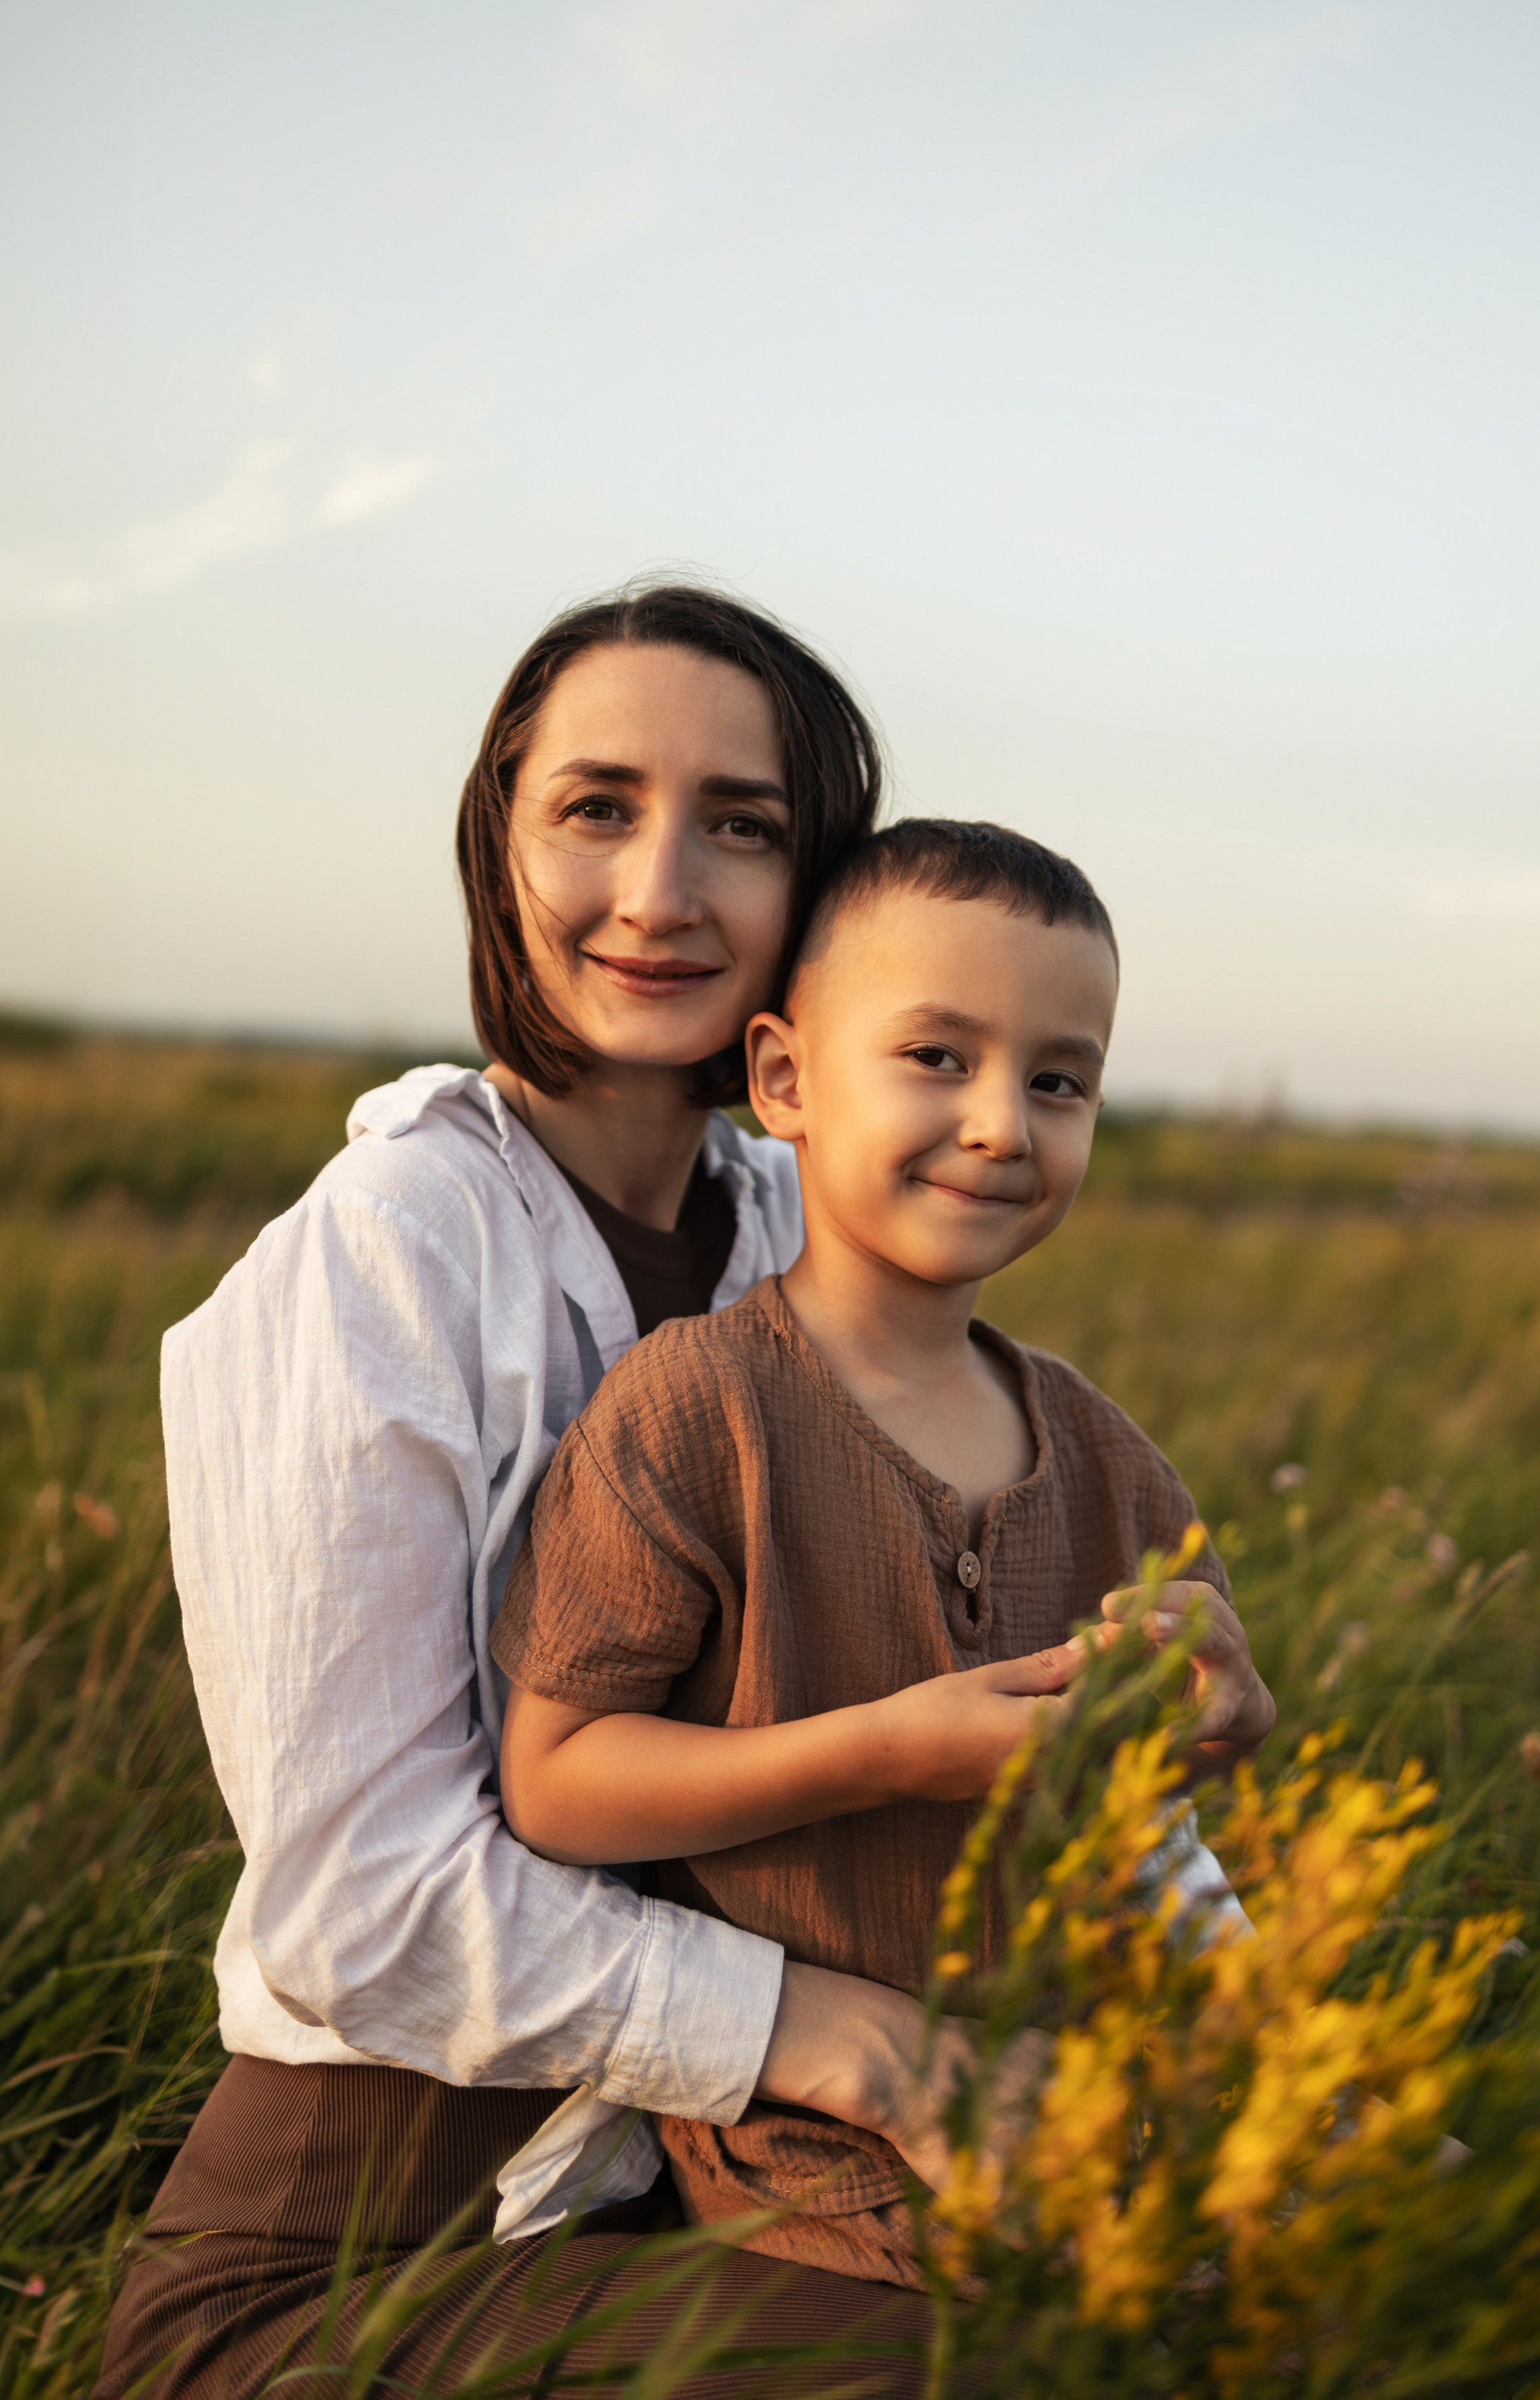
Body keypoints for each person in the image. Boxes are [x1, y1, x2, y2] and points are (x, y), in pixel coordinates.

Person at [97, 590, 1131, 2400]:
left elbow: (990, 1675)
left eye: (742, 824)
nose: (659, 891)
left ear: (818, 888)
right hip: (350, 2261)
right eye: (595, 809)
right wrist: (860, 2043)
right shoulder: (389, 1251)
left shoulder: (812, 1231)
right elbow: (360, 1907)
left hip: (714, 2194)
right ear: (499, 845)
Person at [491, 819, 1275, 2294]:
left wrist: (1224, 1709)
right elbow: (557, 1779)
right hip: (820, 2144)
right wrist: (887, 1752)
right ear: (784, 1078)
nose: (1001, 1125)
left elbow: (1181, 1787)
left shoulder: (1105, 1456)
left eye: (1058, 1081)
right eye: (936, 1056)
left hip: (1101, 2088)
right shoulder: (697, 1411)